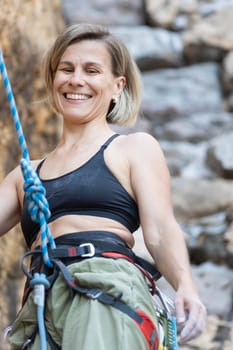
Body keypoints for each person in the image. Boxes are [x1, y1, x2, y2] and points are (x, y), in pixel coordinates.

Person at [0, 23, 206, 350]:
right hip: (41, 303)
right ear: (54, 80)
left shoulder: (132, 149)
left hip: (104, 289)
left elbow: (160, 229)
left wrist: (186, 286)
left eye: (92, 70)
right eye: (66, 69)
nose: (76, 79)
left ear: (116, 86)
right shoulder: (25, 174)